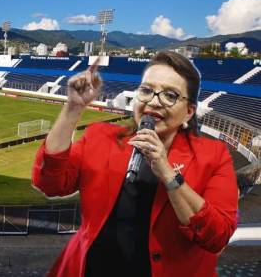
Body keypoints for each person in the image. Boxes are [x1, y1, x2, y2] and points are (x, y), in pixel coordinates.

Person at [32, 51, 238, 277]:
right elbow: (49, 183)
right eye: (147, 90)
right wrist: (73, 109)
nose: (153, 101)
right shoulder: (101, 137)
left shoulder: (213, 155)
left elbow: (217, 237)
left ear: (189, 112)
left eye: (169, 95)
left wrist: (168, 174)